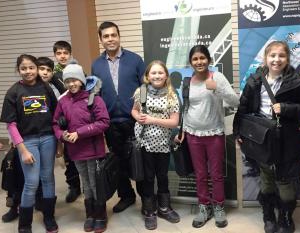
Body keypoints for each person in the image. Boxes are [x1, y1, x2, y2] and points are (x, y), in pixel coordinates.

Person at [233, 41, 300, 233]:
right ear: (266, 58)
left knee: (285, 180)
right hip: (261, 139)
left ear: (287, 58)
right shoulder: (254, 81)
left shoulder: (296, 81)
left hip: (287, 140)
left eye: (281, 56)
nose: (276, 60)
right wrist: (238, 132)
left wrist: (285, 108)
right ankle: (268, 214)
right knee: (266, 177)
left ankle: (286, 217)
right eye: (272, 55)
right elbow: (243, 108)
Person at [175, 45, 239, 228]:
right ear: (191, 62)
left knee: (216, 174)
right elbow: (186, 108)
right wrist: (183, 131)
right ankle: (204, 206)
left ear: (209, 60)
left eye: (202, 58)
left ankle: (219, 206)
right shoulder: (187, 81)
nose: (199, 62)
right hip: (193, 135)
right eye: (195, 59)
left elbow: (235, 101)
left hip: (214, 134)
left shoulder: (216, 77)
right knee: (200, 174)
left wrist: (217, 89)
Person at [91, 21, 145, 213]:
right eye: (106, 36)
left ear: (119, 36)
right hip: (111, 122)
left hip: (135, 120)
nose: (110, 39)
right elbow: (95, 94)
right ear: (101, 40)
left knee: (140, 161)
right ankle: (126, 196)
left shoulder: (135, 60)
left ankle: (147, 200)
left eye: (113, 35)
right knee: (119, 161)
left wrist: (141, 110)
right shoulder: (96, 65)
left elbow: (144, 87)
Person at [0, 54, 58, 233]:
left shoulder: (46, 88)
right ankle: (25, 225)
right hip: (27, 142)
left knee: (48, 178)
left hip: (48, 139)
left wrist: (60, 143)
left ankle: (49, 217)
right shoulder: (13, 92)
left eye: (31, 67)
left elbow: (56, 116)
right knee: (32, 182)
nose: (28, 71)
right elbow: (11, 125)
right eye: (23, 68)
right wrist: (22, 150)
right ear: (18, 70)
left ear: (36, 68)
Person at [53, 64, 110, 233]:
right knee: (85, 182)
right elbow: (55, 123)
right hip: (75, 151)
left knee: (94, 183)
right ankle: (90, 215)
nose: (71, 84)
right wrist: (62, 135)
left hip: (93, 149)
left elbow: (104, 122)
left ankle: (100, 215)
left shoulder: (94, 99)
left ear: (82, 80)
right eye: (68, 81)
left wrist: (79, 132)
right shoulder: (63, 101)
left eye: (75, 80)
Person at [131, 60, 181, 230]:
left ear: (166, 75)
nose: (157, 75)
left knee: (162, 176)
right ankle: (149, 210)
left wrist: (153, 119)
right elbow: (134, 110)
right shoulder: (141, 91)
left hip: (163, 144)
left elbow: (174, 122)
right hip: (144, 143)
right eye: (153, 73)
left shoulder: (171, 95)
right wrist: (137, 116)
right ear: (147, 76)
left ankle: (164, 208)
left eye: (160, 72)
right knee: (148, 177)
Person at [52, 41, 82, 203]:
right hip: (62, 119)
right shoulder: (51, 73)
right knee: (69, 156)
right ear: (55, 55)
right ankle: (74, 186)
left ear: (70, 53)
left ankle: (90, 184)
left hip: (78, 118)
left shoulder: (78, 70)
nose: (62, 56)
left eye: (65, 52)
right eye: (59, 53)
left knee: (84, 154)